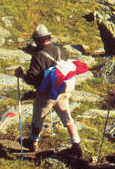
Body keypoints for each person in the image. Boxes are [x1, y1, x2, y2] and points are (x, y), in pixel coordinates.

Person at [14, 24, 83, 156]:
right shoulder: (60, 50)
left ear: (38, 40)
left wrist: (21, 74)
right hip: (63, 89)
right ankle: (76, 144)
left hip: (47, 94)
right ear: (48, 37)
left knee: (38, 118)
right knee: (67, 117)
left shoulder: (38, 56)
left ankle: (32, 142)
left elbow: (31, 79)